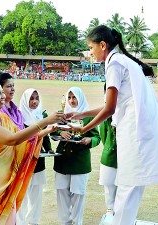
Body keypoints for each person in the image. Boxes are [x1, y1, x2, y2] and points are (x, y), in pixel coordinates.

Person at [66, 25, 158, 225]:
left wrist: (83, 128)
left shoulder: (114, 64)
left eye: (90, 47)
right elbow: (110, 105)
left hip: (132, 132)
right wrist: (81, 114)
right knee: (131, 186)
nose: (89, 52)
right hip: (136, 131)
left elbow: (109, 109)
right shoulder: (121, 61)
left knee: (128, 186)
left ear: (103, 45)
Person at [0, 79, 65, 225]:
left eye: (2, 92)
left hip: (6, 181)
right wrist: (44, 122)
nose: (3, 96)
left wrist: (48, 130)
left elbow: (25, 140)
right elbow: (13, 140)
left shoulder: (3, 117)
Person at [53, 87, 101, 225]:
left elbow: (97, 137)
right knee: (62, 193)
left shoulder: (88, 116)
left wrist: (89, 140)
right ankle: (64, 223)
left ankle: (77, 222)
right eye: (69, 97)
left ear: (80, 98)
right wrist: (59, 133)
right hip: (63, 160)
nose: (72, 100)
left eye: (74, 97)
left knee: (78, 195)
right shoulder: (62, 114)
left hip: (80, 162)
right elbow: (51, 133)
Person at [16, 88, 53, 225]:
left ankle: (33, 222)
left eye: (37, 98)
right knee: (22, 196)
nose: (34, 101)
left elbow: (46, 135)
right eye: (31, 98)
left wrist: (49, 149)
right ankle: (20, 222)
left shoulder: (42, 115)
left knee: (36, 197)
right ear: (25, 100)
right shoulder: (19, 116)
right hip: (24, 161)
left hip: (39, 161)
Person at [98, 84, 118, 225]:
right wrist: (111, 146)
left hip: (125, 155)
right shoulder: (106, 114)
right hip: (110, 154)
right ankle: (110, 209)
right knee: (109, 184)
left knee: (123, 185)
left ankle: (118, 209)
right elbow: (104, 135)